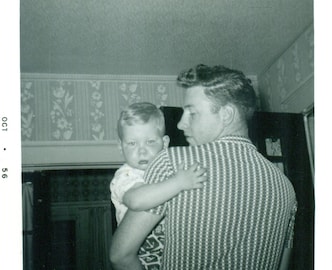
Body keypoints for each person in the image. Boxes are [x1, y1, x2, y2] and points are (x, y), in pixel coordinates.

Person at [110, 65, 297, 270]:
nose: (181, 124)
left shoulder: (173, 162)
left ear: (226, 114)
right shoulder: (286, 188)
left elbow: (120, 256)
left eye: (192, 113)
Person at [110, 102, 207, 270]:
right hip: (142, 256)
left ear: (164, 142)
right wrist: (179, 183)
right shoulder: (126, 175)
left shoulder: (166, 170)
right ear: (120, 146)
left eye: (150, 142)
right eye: (132, 143)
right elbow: (136, 200)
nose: (141, 151)